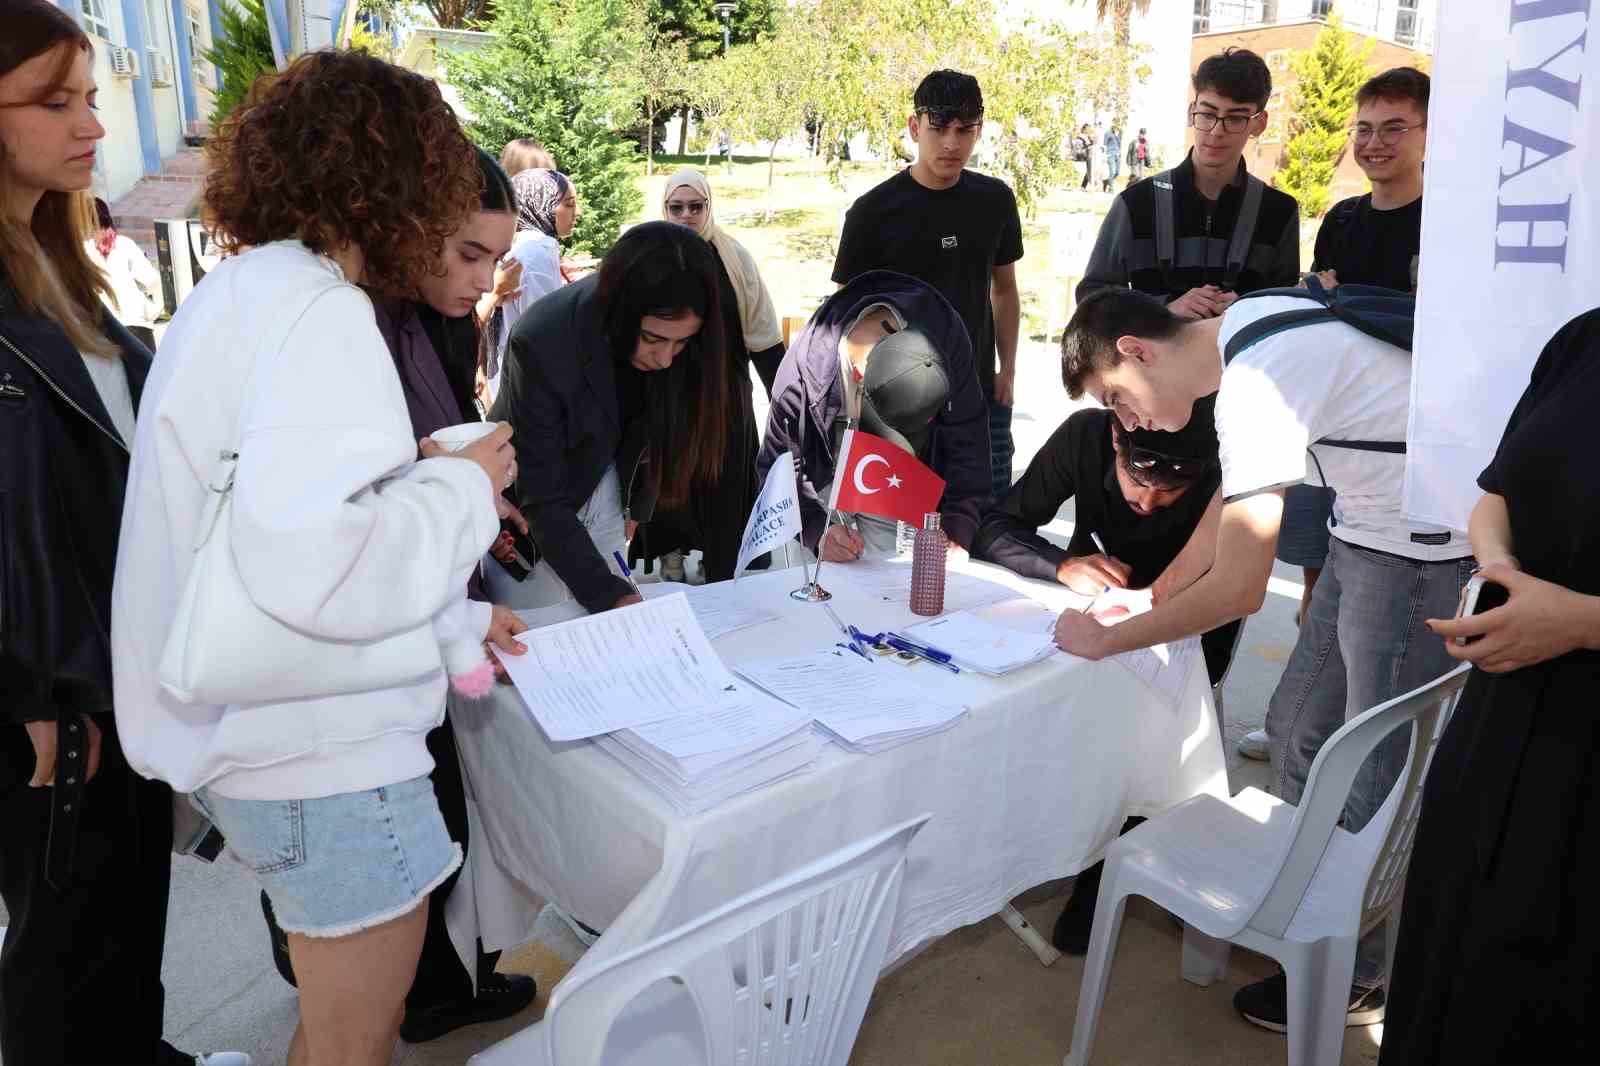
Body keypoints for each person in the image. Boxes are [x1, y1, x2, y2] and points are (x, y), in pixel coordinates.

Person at [112, 51, 524, 1066]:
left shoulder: (248, 288)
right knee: (353, 1045)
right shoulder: (320, 310)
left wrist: (452, 586)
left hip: (269, 735)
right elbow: (321, 567)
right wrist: (462, 489)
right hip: (323, 755)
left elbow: (279, 522)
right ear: (400, 184)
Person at [1052, 287, 1473, 1034]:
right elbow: (1230, 510)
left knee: (1374, 771)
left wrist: (1107, 638)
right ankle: (1308, 899)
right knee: (1295, 724)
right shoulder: (1240, 330)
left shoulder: (1254, 380)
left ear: (1138, 350)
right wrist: (1153, 600)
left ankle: (1356, 968)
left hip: (1416, 556)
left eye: (1117, 400)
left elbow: (1242, 590)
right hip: (1365, 533)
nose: (1130, 423)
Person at [0, 6, 246, 1063]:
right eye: (54, 100)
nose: (90, 122)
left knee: (124, 926)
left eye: (89, 95)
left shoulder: (63, 272)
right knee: (62, 955)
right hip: (55, 698)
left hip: (123, 671)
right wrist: (32, 695)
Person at [1380, 310, 1600, 1065]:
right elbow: (1496, 495)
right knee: (1451, 969)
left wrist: (1582, 622)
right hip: (1502, 721)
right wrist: (1498, 568)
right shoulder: (1584, 340)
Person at [973, 399, 1242, 953]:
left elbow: (1234, 584)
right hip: (1085, 623)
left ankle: (1106, 867)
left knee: (1142, 739)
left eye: (1169, 493)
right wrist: (1061, 565)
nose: (1146, 503)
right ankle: (1062, 836)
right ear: (1117, 442)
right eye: (1134, 482)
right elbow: (996, 525)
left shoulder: (1233, 467)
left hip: (1189, 632)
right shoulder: (1086, 435)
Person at [1241, 66, 1431, 762]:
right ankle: (1306, 723)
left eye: (1393, 129)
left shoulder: (1445, 222)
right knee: (1317, 591)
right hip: (1328, 433)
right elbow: (1321, 310)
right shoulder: (1344, 220)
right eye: (1365, 129)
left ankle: (1354, 746)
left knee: (1379, 614)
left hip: (1400, 447)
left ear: (1425, 134)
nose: (1375, 144)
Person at [488, 220, 732, 615]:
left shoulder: (678, 346)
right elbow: (542, 496)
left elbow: (656, 428)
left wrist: (638, 506)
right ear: (620, 312)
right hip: (523, 515)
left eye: (681, 342)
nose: (665, 358)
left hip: (605, 483)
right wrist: (608, 594)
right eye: (653, 339)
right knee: (540, 631)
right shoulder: (544, 339)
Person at [832, 69, 1022, 501]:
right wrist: (858, 393)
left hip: (977, 393)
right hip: (899, 398)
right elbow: (843, 317)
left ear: (979, 130)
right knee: (896, 530)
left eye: (964, 130)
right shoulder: (872, 212)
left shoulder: (995, 200)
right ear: (915, 128)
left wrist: (1007, 370)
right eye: (939, 129)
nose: (952, 144)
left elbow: (1005, 290)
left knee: (985, 520)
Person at [756, 270, 990, 561]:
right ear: (861, 379)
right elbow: (776, 469)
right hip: (822, 479)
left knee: (892, 579)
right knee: (825, 578)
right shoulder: (802, 375)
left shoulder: (947, 339)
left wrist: (957, 527)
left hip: (898, 479)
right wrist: (817, 531)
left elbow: (970, 442)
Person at [630, 168, 783, 584]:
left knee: (724, 490)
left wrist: (785, 406)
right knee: (669, 483)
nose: (686, 216)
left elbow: (763, 336)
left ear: (709, 207)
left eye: (695, 207)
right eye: (676, 207)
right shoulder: (649, 260)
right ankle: (672, 560)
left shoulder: (734, 260)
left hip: (724, 400)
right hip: (667, 394)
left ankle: (721, 572)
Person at [1077, 48, 1300, 315]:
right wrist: (1164, 309)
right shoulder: (1136, 203)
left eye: (1235, 118)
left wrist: (1247, 309)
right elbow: (1092, 297)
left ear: (1259, 124)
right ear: (1191, 112)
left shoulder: (1279, 212)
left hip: (1239, 357)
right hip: (1156, 354)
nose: (1217, 132)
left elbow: (1287, 312)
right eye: (1207, 114)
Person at [479, 167, 579, 407]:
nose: (578, 212)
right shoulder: (537, 252)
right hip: (531, 389)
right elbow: (548, 333)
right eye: (568, 204)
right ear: (540, 204)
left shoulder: (528, 246)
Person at [86, 195, 161, 349]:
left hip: (103, 329)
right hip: (136, 324)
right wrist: (153, 310)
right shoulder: (125, 243)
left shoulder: (80, 250)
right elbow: (152, 280)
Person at [1103, 125, 1122, 190]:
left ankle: (1108, 181)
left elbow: (1119, 145)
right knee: (1112, 172)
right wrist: (1105, 155)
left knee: (1117, 172)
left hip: (1118, 155)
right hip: (1110, 154)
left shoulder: (1118, 134)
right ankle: (1111, 187)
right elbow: (1104, 144)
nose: (1116, 128)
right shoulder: (1107, 133)